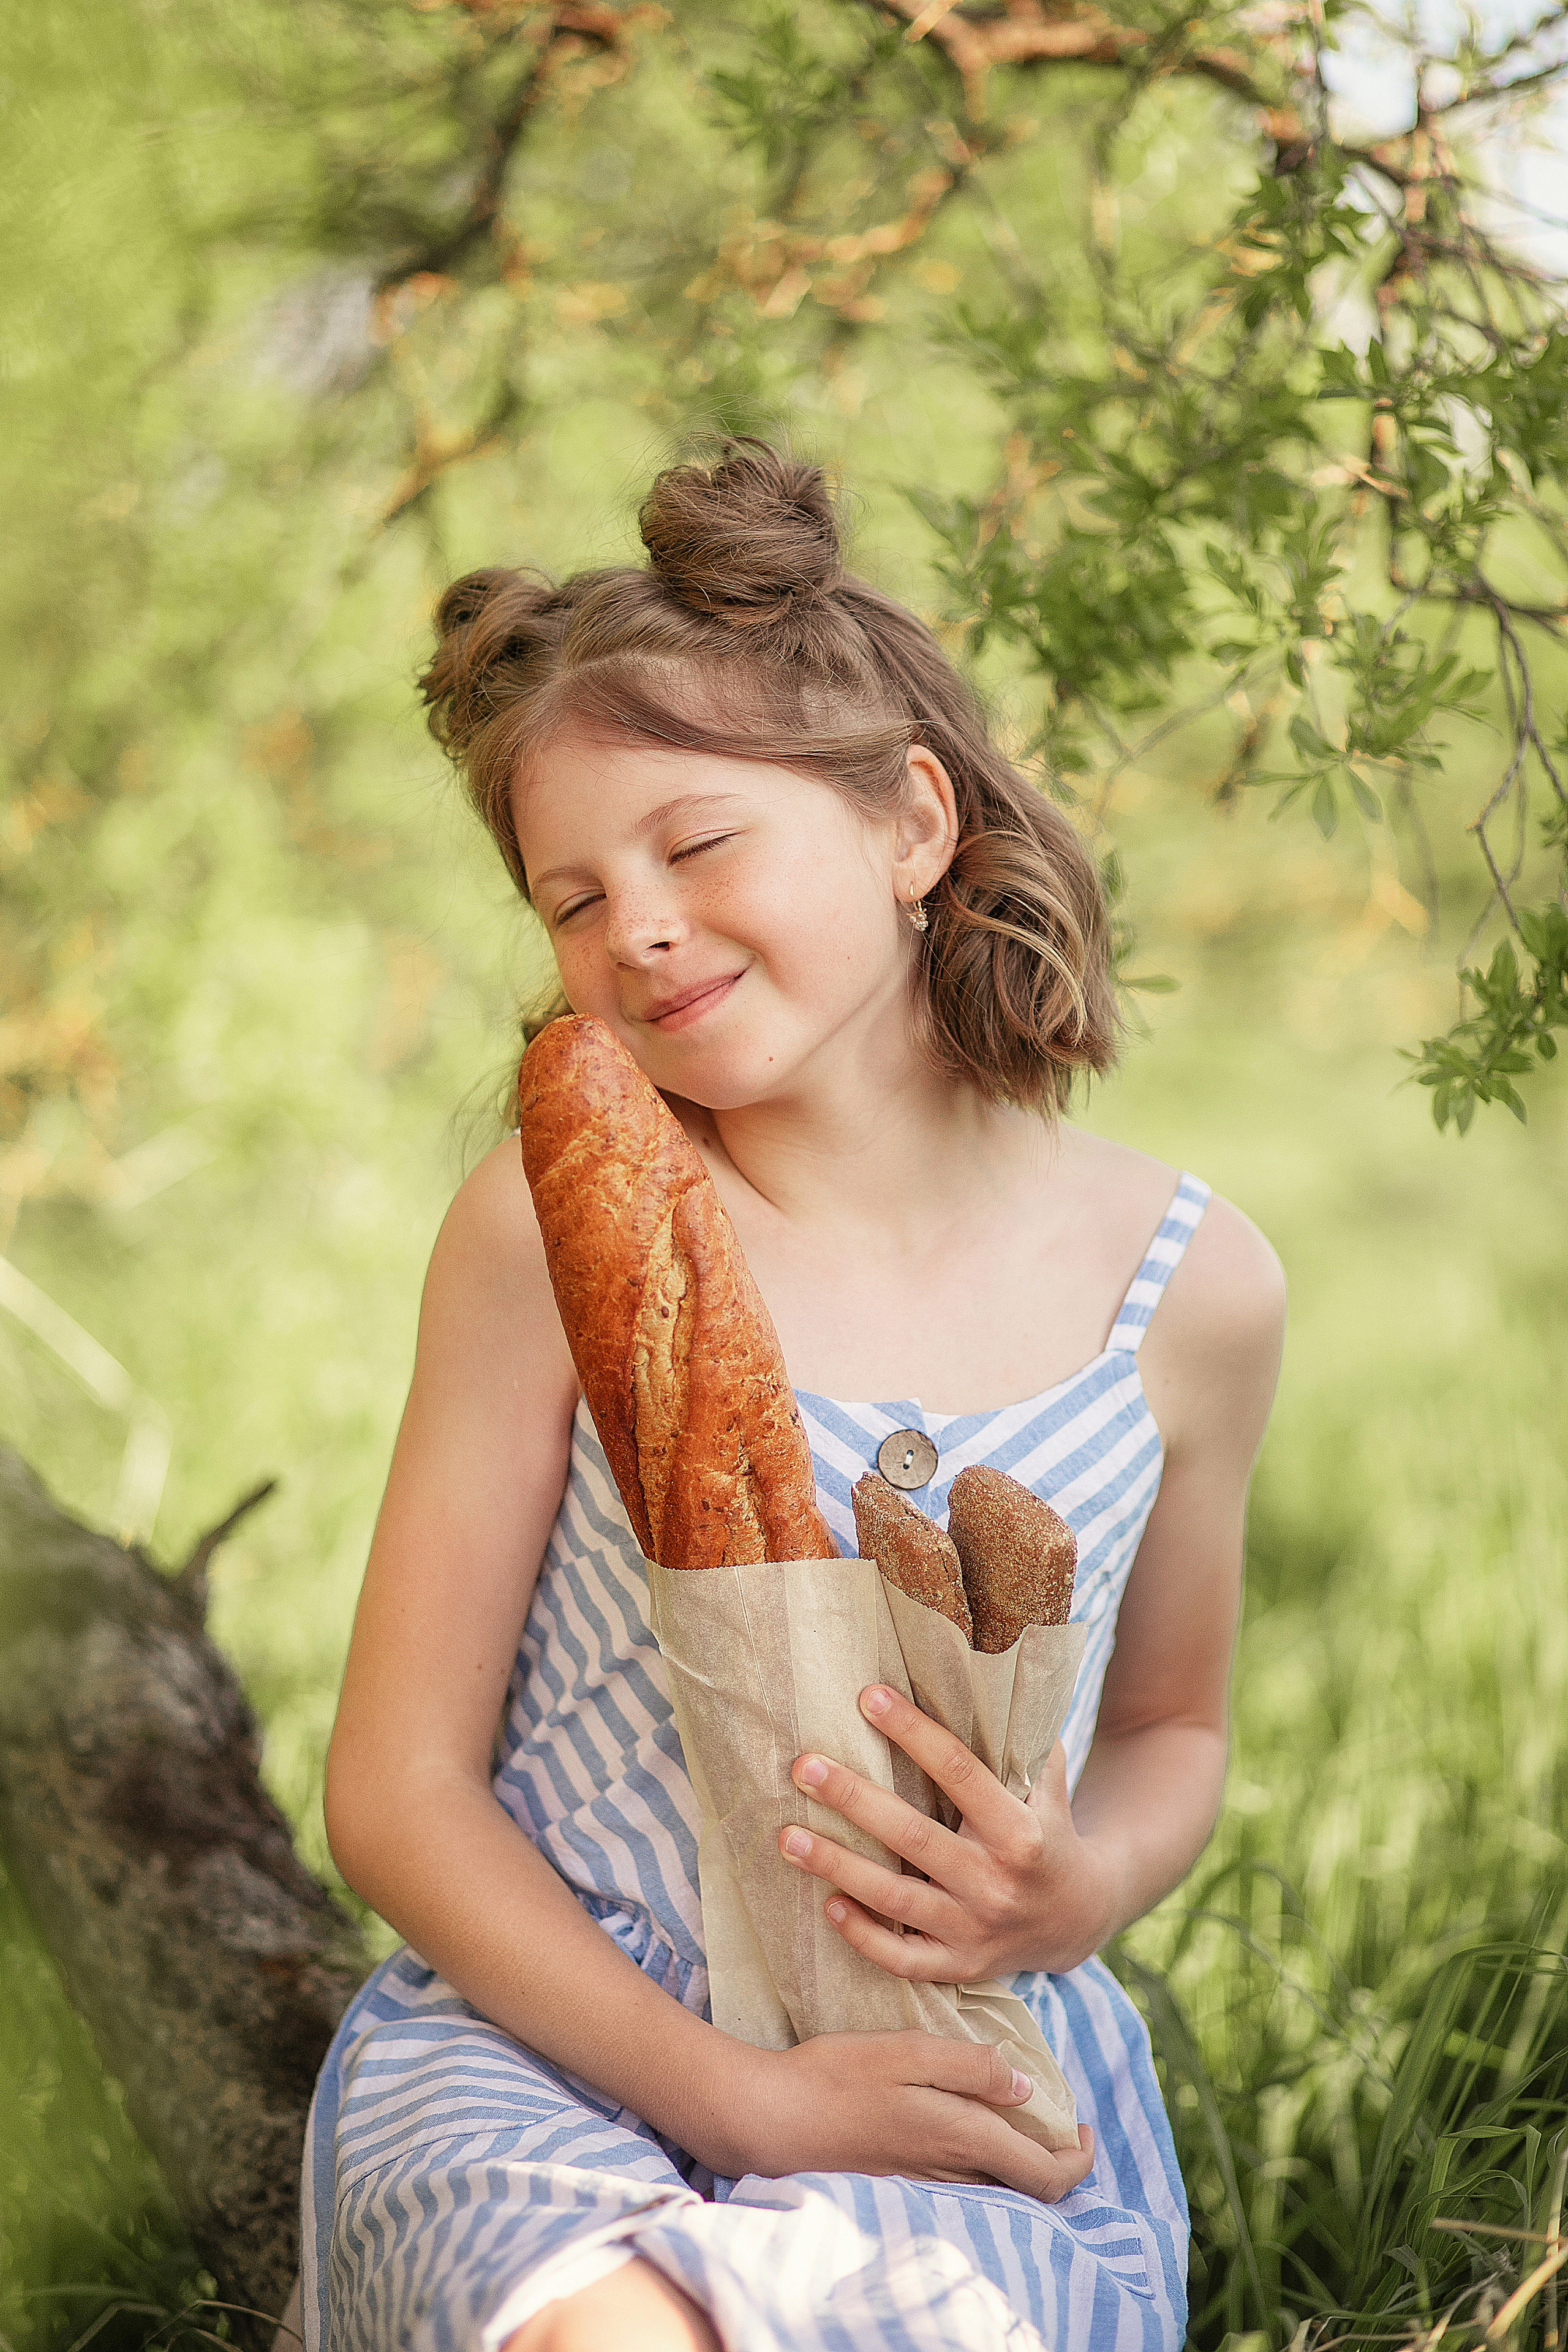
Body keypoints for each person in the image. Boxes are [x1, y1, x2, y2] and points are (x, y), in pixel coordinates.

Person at [303, 439, 1285, 2352]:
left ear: (913, 822)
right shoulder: (550, 1230)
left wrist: (1082, 1885)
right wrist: (733, 2097)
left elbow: (1175, 1727)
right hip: (554, 2038)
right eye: (571, 898)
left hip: (940, 2061)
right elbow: (396, 1792)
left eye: (697, 846)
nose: (636, 929)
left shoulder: (1191, 1288)